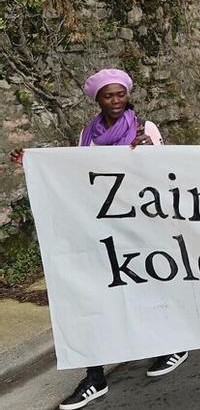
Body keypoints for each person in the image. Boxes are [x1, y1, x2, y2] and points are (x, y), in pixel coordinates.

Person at [9, 69, 188, 410]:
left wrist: (148, 151)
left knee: (145, 289)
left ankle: (170, 345)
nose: (116, 101)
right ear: (98, 100)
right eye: (109, 96)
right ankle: (94, 377)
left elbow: (166, 173)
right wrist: (33, 163)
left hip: (139, 225)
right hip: (102, 226)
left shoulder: (144, 129)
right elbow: (77, 172)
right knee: (94, 296)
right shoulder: (88, 134)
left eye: (121, 94)